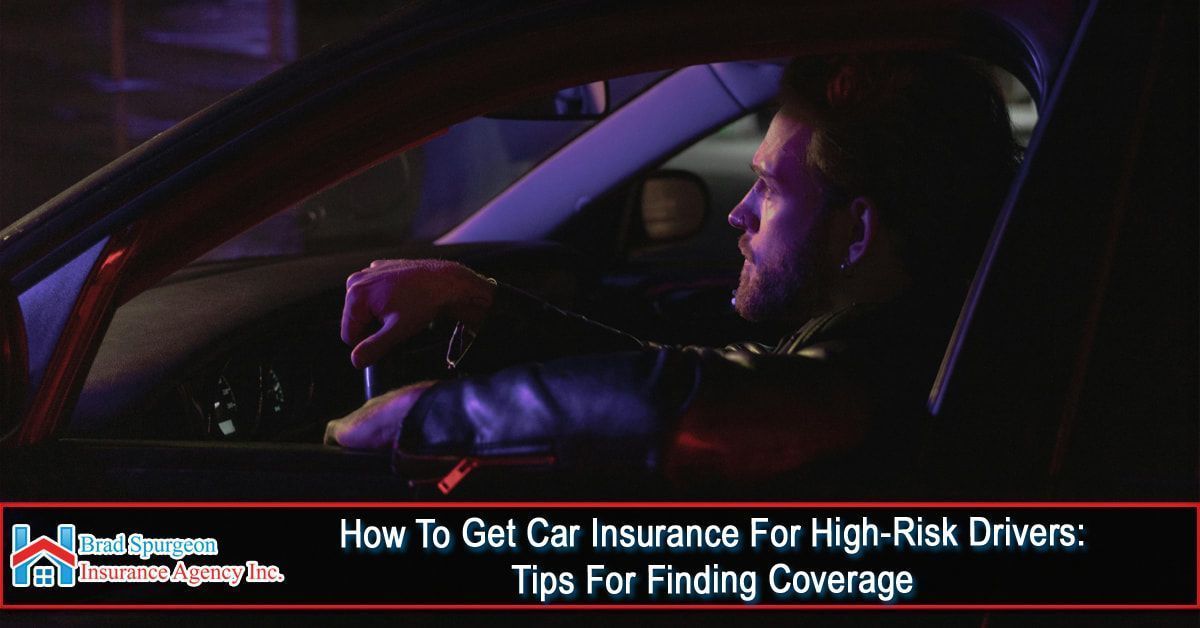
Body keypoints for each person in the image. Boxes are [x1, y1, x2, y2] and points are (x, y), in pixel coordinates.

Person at [324, 53, 1021, 492]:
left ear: (858, 230)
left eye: (771, 190)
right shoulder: (905, 331)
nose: (737, 215)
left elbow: (682, 405)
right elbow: (686, 375)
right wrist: (480, 302)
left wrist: (431, 417)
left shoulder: (876, 379)